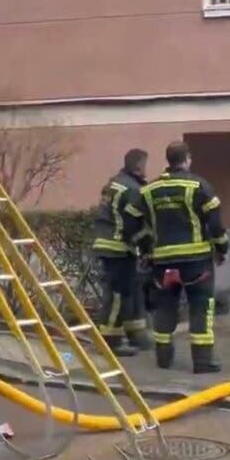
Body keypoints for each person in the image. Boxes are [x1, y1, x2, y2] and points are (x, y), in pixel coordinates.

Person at [139, 141, 228, 373]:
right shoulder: (199, 185)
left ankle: (163, 359)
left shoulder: (149, 190)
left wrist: (146, 249)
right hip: (196, 262)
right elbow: (215, 223)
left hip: (163, 262)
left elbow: (135, 222)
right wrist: (222, 248)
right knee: (201, 307)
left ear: (168, 160)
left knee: (164, 307)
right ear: (187, 159)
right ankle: (202, 362)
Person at [91, 148, 153, 356]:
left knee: (132, 290)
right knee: (118, 294)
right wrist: (147, 247)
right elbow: (132, 224)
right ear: (139, 166)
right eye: (145, 165)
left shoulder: (114, 183)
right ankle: (111, 341)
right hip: (118, 246)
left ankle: (136, 334)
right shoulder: (133, 189)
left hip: (107, 242)